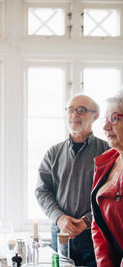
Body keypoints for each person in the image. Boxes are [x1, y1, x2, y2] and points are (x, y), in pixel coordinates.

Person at [35, 94, 109, 266]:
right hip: (60, 232)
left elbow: (110, 196)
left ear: (95, 116)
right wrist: (60, 218)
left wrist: (87, 221)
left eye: (81, 110)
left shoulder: (107, 152)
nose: (74, 114)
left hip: (94, 234)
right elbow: (42, 191)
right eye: (70, 110)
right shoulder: (53, 153)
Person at [91, 91, 123, 267]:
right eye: (105, 120)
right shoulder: (105, 162)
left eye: (113, 119)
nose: (105, 127)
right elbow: (98, 226)